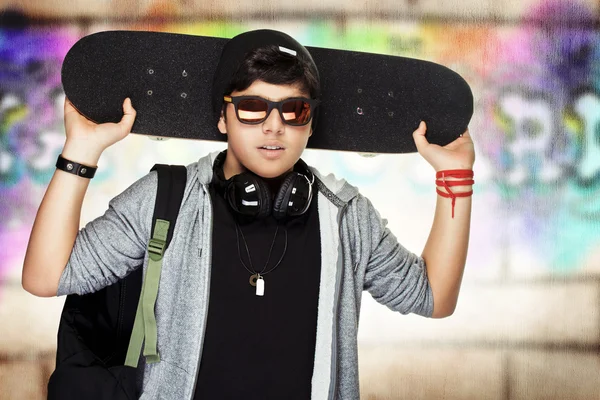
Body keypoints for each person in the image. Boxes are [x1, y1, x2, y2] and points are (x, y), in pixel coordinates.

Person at [22, 29, 475, 399]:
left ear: (310, 123)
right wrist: (80, 151)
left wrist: (456, 175)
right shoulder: (167, 199)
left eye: (293, 110)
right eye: (252, 108)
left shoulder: (346, 215)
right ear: (223, 118)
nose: (273, 126)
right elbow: (47, 276)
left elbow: (433, 297)